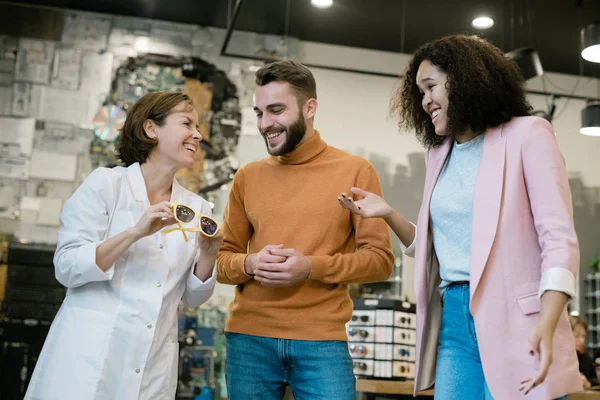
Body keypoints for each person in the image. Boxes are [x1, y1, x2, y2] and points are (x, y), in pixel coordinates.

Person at [338, 34, 580, 400]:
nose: (425, 102)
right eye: (419, 93)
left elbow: (559, 239)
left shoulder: (528, 135)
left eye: (431, 87)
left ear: (466, 80)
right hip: (453, 318)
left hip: (519, 319)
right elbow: (445, 247)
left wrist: (548, 319)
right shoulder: (439, 155)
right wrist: (387, 214)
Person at [25, 92, 223, 399]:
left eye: (198, 127)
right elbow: (67, 267)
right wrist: (133, 233)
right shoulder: (106, 185)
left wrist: (209, 254)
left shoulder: (196, 208)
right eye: (187, 123)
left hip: (151, 364)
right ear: (150, 129)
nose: (198, 134)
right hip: (88, 360)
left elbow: (193, 298)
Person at [216, 60, 395, 399]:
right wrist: (250, 264)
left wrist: (310, 267)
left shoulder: (356, 171)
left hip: (322, 342)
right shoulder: (247, 177)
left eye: (276, 110)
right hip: (248, 341)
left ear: (310, 107)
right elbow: (222, 261)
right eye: (258, 113)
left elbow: (380, 261)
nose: (265, 124)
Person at [570, 315, 597, 389]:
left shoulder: (586, 359)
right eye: (577, 336)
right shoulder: (558, 359)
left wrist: (588, 383)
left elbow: (596, 378)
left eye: (583, 336)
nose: (581, 340)